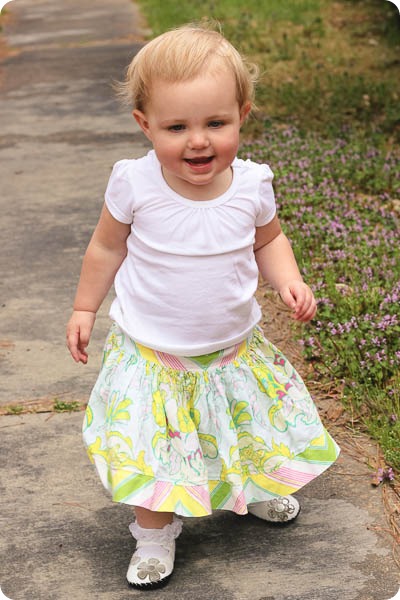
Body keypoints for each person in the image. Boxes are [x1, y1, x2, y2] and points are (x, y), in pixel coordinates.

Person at [66, 23, 340, 590]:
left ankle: (254, 488)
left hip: (232, 351)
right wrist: (84, 308)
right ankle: (154, 536)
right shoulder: (135, 184)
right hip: (155, 359)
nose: (198, 141)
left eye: (216, 123)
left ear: (242, 115)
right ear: (145, 124)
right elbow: (106, 248)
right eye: (177, 127)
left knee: (248, 429)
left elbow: (269, 241)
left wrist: (289, 280)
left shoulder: (252, 185)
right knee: (155, 452)